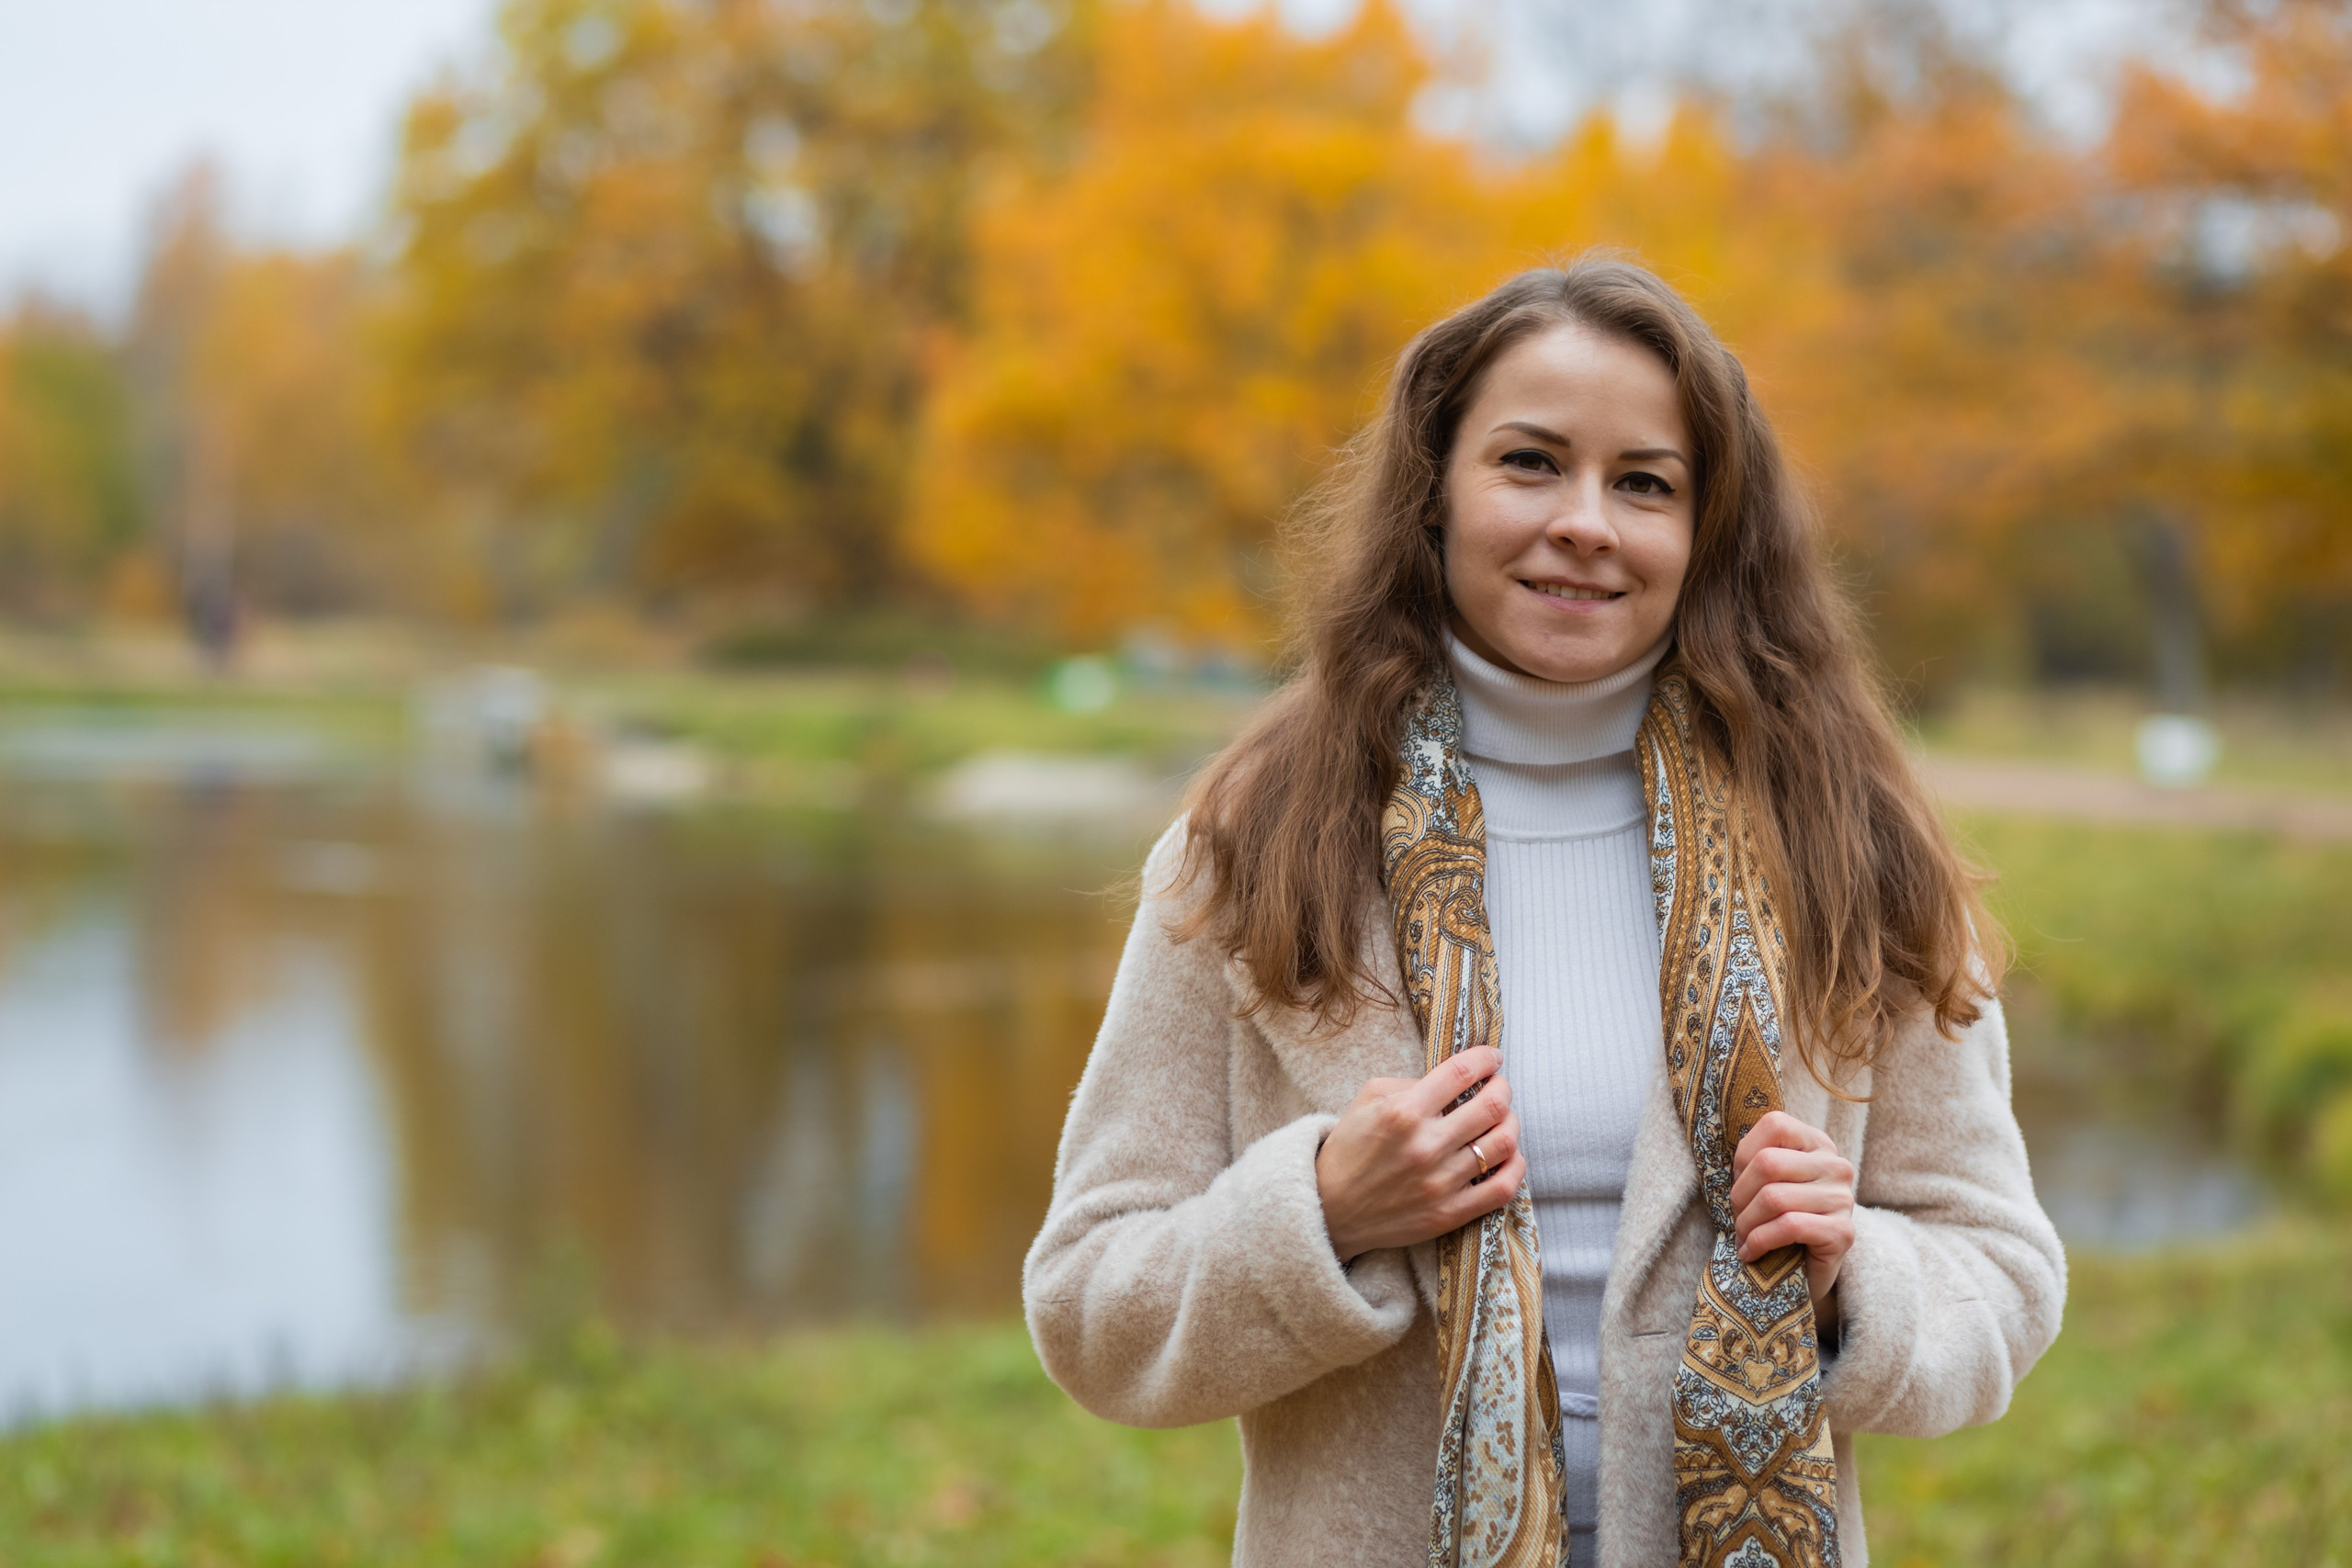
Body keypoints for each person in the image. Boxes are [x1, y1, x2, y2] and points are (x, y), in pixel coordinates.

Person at [1023, 257, 2064, 1568]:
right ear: (1434, 498)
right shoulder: (1259, 844)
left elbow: (2005, 1278)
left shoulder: (1845, 844)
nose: (1587, 522)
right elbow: (1088, 1310)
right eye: (1529, 463)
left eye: (1645, 482)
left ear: (1708, 531)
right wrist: (1323, 1213)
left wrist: (1851, 1268)